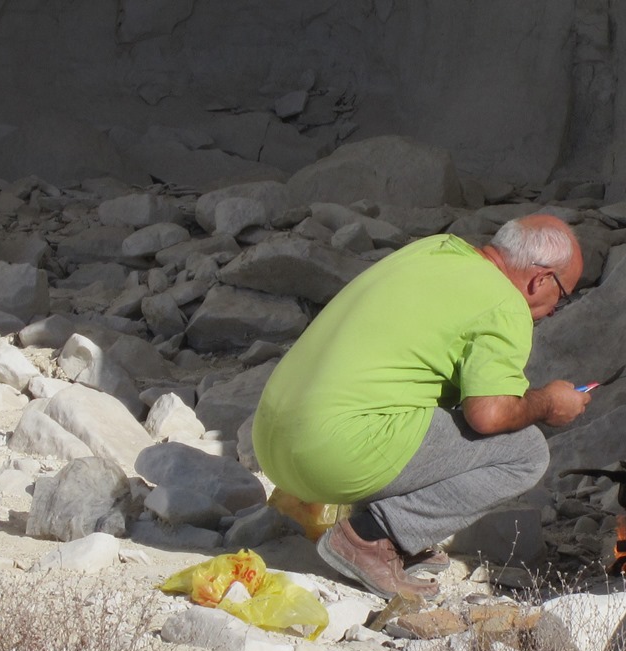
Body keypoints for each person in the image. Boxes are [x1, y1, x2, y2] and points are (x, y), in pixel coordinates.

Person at [251, 214, 590, 599]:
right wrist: (547, 403)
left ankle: (387, 533)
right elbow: (489, 414)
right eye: (562, 295)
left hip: (271, 442)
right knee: (525, 451)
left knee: (416, 401)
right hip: (328, 458)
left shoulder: (433, 249)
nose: (555, 308)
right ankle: (368, 537)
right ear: (541, 280)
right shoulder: (505, 304)